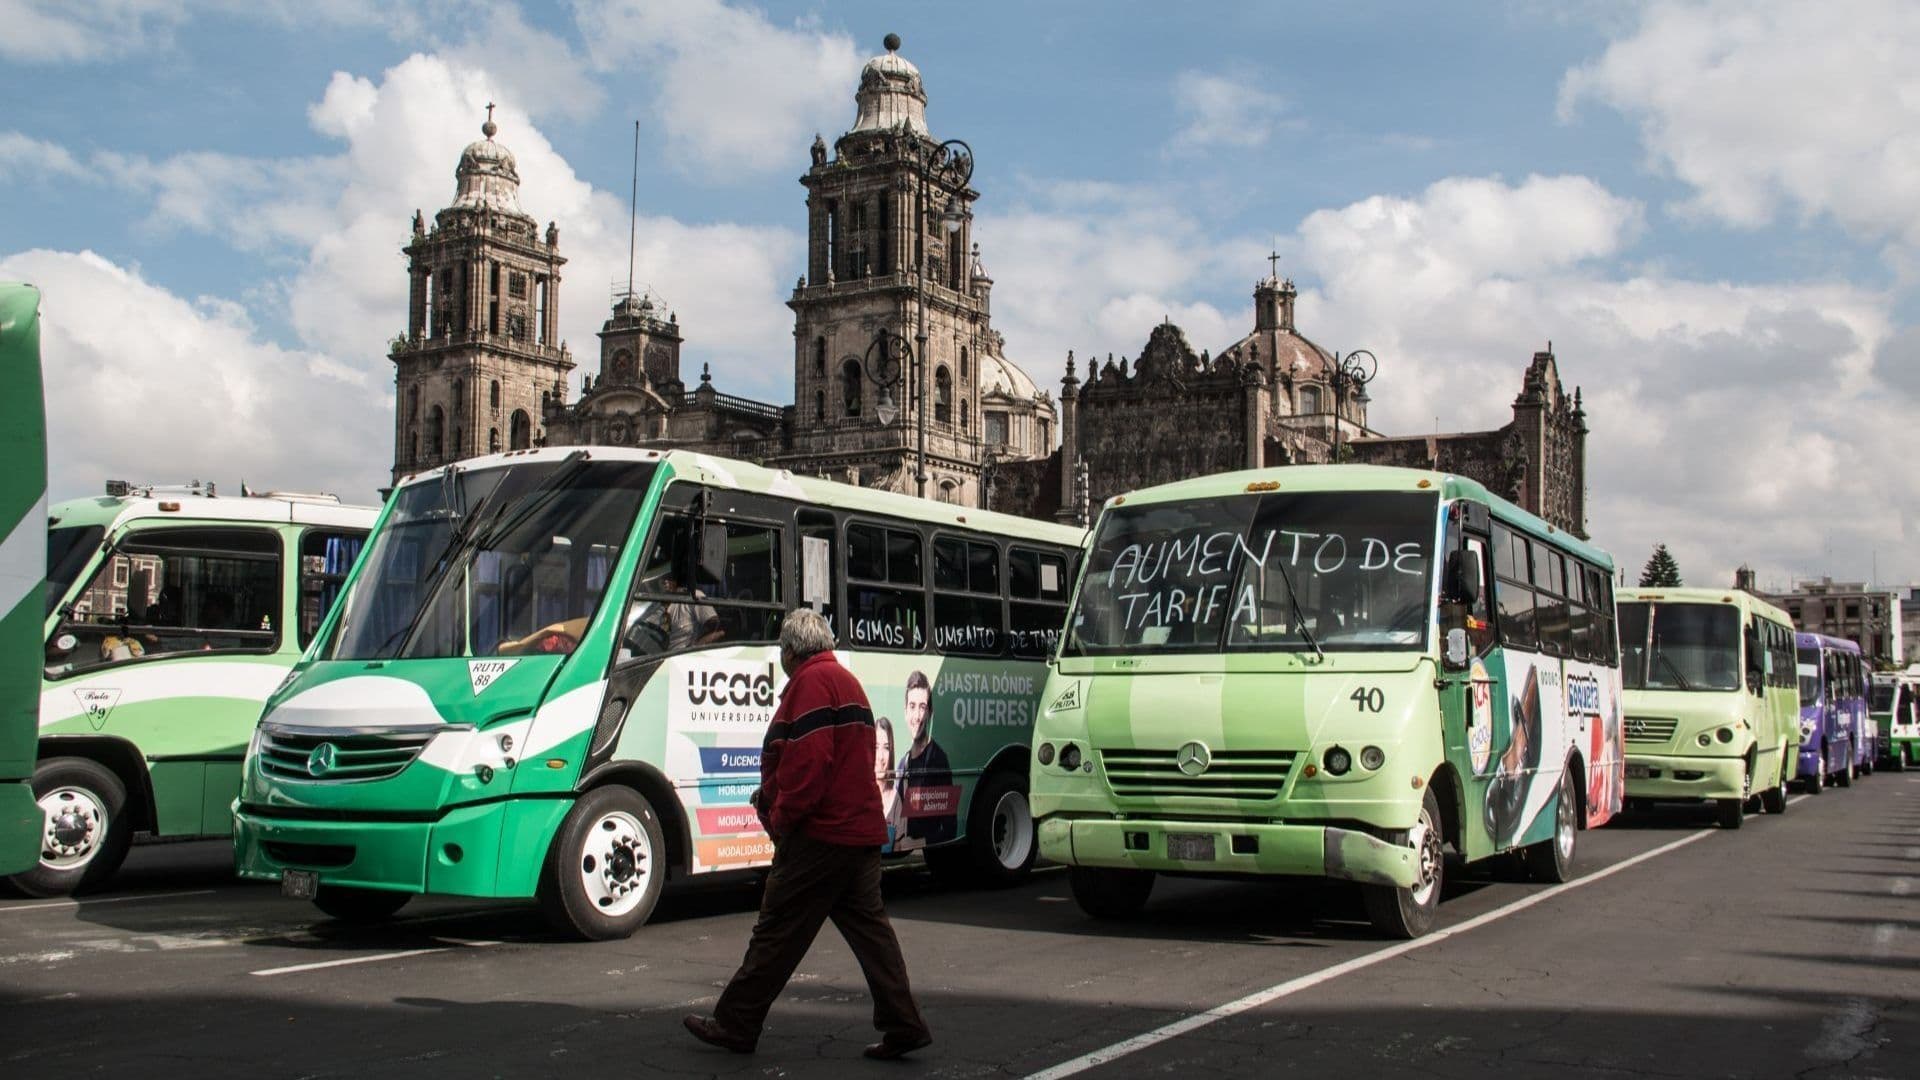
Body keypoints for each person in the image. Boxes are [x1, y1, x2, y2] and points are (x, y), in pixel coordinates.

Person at [684, 609, 933, 1061]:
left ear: (791, 650)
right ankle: (905, 1023)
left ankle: (737, 1023)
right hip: (857, 835)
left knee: (776, 931)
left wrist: (781, 817)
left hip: (820, 836)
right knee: (873, 937)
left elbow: (808, 765)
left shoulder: (810, 684)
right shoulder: (847, 683)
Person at [896, 670, 956, 847]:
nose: (917, 717)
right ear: (905, 711)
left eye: (922, 707)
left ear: (930, 712)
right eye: (912, 706)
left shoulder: (938, 759)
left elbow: (950, 830)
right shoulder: (903, 763)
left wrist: (915, 843)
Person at [874, 716, 899, 848]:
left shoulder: (898, 799)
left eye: (886, 748)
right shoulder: (859, 796)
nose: (881, 757)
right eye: (876, 747)